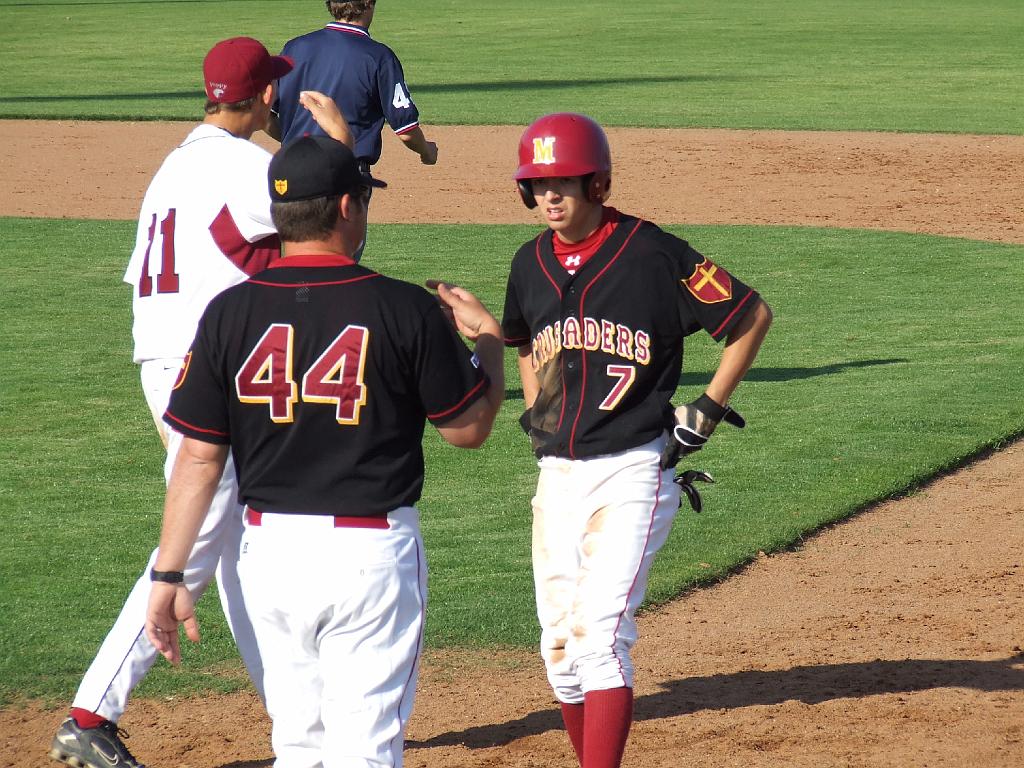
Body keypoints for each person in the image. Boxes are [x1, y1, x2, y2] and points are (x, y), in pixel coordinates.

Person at [145, 135, 504, 767]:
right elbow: (467, 428)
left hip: (269, 558)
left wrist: (170, 574)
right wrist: (492, 345)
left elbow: (198, 458)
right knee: (364, 751)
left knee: (298, 746)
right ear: (347, 207)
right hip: (368, 557)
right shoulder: (403, 308)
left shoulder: (228, 313)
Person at [49, 37, 353, 768]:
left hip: (163, 356)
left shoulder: (172, 166)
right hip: (204, 366)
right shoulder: (246, 165)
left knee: (231, 534)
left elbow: (174, 268)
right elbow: (321, 225)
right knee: (202, 529)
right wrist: (336, 145)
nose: (280, 96)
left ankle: (293, 714)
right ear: (261, 97)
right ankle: (91, 713)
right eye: (274, 87)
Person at [501, 113, 773, 768]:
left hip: (631, 472)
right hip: (556, 477)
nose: (550, 197)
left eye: (563, 182)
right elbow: (523, 345)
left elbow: (749, 315)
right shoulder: (529, 263)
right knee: (559, 656)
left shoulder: (654, 252)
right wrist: (542, 409)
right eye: (538, 185)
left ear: (598, 183)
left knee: (599, 642)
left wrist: (708, 407)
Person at [271, 0, 439, 171]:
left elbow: (267, 117)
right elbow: (406, 131)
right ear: (368, 2)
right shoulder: (379, 57)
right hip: (344, 174)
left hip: (292, 171)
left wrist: (296, 144)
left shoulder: (293, 48)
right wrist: (427, 151)